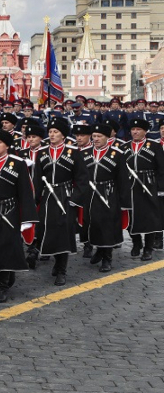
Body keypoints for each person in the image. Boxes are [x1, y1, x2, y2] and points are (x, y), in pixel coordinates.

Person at [0, 130, 38, 303]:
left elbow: (26, 191)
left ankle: (2, 286)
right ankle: (7, 275)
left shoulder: (17, 163)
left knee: (5, 246)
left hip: (9, 211)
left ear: (7, 145)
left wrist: (26, 218)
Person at [31, 117, 87, 285]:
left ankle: (62, 269)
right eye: (50, 132)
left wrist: (75, 198)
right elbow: (37, 179)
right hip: (48, 196)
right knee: (47, 229)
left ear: (63, 135)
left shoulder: (74, 152)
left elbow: (83, 178)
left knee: (63, 231)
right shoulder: (41, 153)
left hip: (65, 195)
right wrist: (35, 199)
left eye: (55, 132)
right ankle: (55, 259)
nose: (52, 134)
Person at [80, 123, 123, 272]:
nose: (96, 139)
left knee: (106, 224)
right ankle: (99, 248)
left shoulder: (117, 154)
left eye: (100, 136)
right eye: (94, 136)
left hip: (108, 192)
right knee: (91, 222)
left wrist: (123, 201)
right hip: (89, 193)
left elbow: (122, 179)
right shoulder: (84, 153)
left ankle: (107, 258)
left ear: (107, 137)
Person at [119, 117, 164, 261]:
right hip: (130, 186)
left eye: (138, 130)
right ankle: (136, 243)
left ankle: (148, 248)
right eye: (133, 129)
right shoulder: (124, 147)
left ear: (145, 131)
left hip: (149, 184)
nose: (135, 132)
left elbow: (161, 168)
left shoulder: (154, 146)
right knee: (131, 217)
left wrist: (160, 188)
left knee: (149, 217)